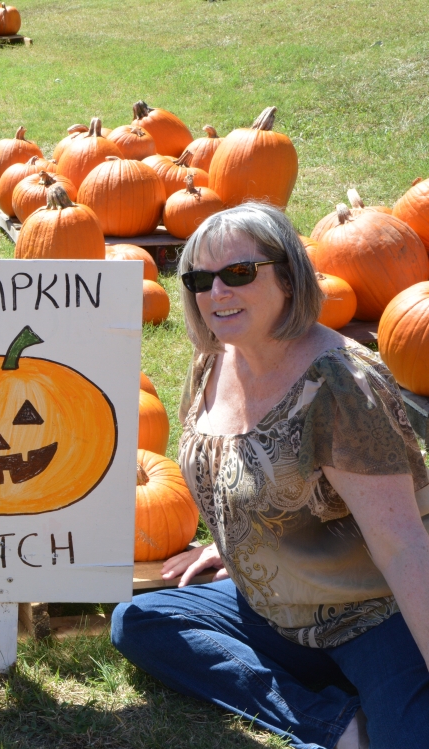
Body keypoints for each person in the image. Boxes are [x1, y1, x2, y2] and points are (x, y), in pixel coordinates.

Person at [110, 203, 429, 749]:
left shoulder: (339, 385)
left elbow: (402, 545)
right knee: (140, 621)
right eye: (200, 279)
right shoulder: (213, 361)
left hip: (373, 616)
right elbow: (245, 471)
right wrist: (243, 543)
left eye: (238, 273)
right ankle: (337, 726)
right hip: (270, 612)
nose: (217, 292)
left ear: (287, 276)